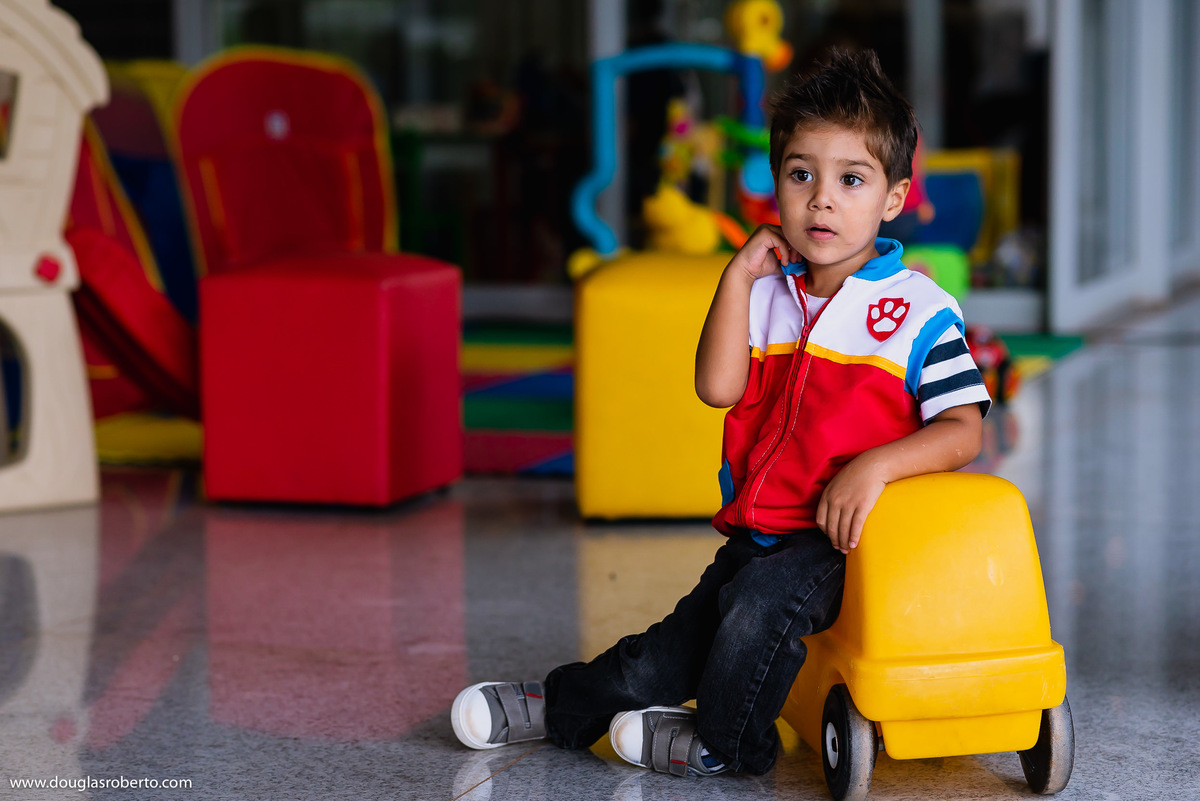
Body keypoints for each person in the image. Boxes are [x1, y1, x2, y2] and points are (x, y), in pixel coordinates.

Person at [449, 49, 991, 780]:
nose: (821, 201)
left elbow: (964, 429)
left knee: (755, 614)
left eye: (851, 180)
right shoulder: (768, 293)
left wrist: (875, 467)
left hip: (843, 542)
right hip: (759, 532)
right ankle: (561, 705)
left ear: (893, 198)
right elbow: (716, 386)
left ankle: (728, 743)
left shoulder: (920, 311)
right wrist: (736, 276)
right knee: (658, 657)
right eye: (801, 175)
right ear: (776, 184)